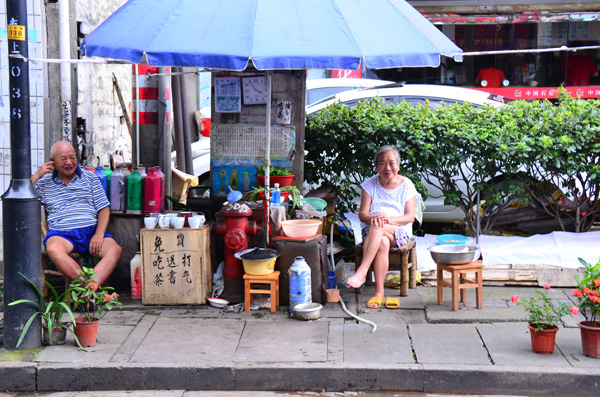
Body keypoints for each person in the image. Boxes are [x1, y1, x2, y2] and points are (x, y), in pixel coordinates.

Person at [32, 141, 121, 286]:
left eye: (72, 157)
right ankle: (88, 287)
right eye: (63, 159)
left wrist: (99, 234)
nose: (69, 162)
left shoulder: (90, 178)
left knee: (114, 250)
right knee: (53, 249)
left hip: (91, 232)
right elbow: (23, 197)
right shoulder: (44, 182)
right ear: (52, 162)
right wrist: (37, 175)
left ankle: (89, 290)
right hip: (62, 234)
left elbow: (104, 208)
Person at [346, 145, 417, 309]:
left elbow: (409, 217)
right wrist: (374, 218)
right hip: (373, 231)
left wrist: (388, 219)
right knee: (382, 240)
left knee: (379, 226)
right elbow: (363, 215)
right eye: (382, 163)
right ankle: (379, 292)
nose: (388, 168)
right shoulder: (368, 185)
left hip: (398, 230)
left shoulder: (407, 185)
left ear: (398, 166)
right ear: (377, 166)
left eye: (392, 163)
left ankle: (362, 271)